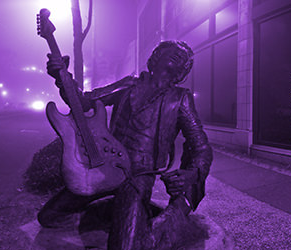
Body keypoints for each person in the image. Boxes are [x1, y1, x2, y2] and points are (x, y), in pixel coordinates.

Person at [37, 40, 213, 250]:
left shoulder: (180, 98)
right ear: (157, 55)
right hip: (105, 166)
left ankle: (147, 220)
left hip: (138, 176)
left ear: (183, 70)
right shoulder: (129, 84)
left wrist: (193, 173)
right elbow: (83, 101)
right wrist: (61, 76)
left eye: (183, 57)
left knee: (124, 246)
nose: (180, 54)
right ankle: (121, 213)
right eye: (173, 50)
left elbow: (201, 147)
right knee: (50, 216)